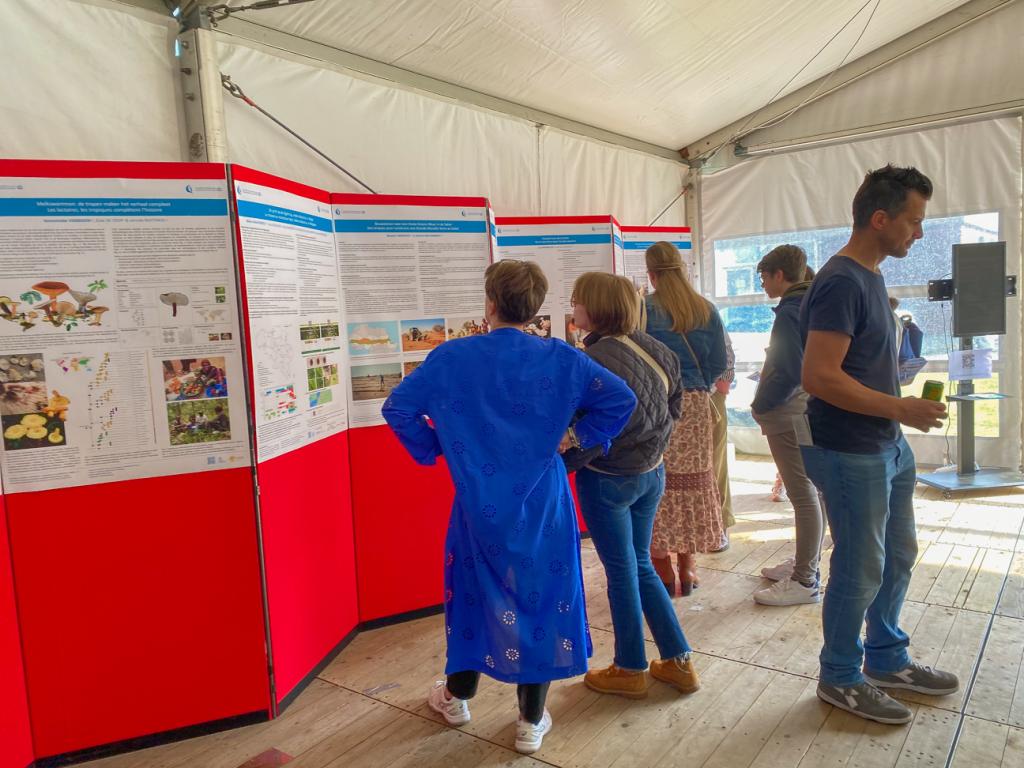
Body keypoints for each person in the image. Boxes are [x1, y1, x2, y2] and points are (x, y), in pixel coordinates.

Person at [382, 260, 636, 754]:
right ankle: (529, 722)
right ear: (536, 307)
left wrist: (440, 447)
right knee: (543, 598)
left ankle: (457, 698)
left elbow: (398, 408)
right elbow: (620, 400)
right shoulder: (563, 359)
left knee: (471, 595)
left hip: (478, 502)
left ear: (491, 302)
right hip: (544, 502)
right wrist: (576, 436)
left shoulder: (451, 357)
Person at [799, 165, 956, 725]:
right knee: (860, 567)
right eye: (914, 220)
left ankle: (886, 658)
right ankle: (840, 676)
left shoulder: (870, 275)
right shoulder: (842, 281)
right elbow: (819, 376)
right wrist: (899, 408)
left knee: (897, 554)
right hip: (849, 449)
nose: (919, 232)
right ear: (881, 219)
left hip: (886, 444)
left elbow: (858, 363)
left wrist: (897, 404)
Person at [561, 272, 698, 699]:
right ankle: (678, 661)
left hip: (608, 480)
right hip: (651, 473)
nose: (573, 306)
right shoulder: (659, 349)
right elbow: (675, 408)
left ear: (595, 307)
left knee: (622, 572)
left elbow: (579, 429)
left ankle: (629, 667)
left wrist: (564, 464)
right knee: (639, 565)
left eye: (577, 299)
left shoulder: (591, 361)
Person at [642, 241, 727, 596]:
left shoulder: (644, 310)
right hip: (695, 405)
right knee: (693, 484)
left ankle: (662, 570)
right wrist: (699, 383)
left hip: (658, 405)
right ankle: (688, 568)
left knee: (659, 484)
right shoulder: (705, 308)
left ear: (651, 273)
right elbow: (720, 361)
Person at [749, 244, 826, 606]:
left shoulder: (791, 310)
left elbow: (792, 369)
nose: (763, 284)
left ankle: (805, 578)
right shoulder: (810, 301)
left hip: (787, 411)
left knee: (803, 494)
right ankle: (805, 564)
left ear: (779, 274)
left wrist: (761, 403)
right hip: (803, 408)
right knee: (810, 491)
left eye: (764, 277)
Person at [709, 330, 735, 550]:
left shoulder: (706, 312)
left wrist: (722, 385)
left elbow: (725, 351)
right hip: (670, 395)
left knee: (715, 462)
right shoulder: (650, 311)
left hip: (708, 394)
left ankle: (719, 524)